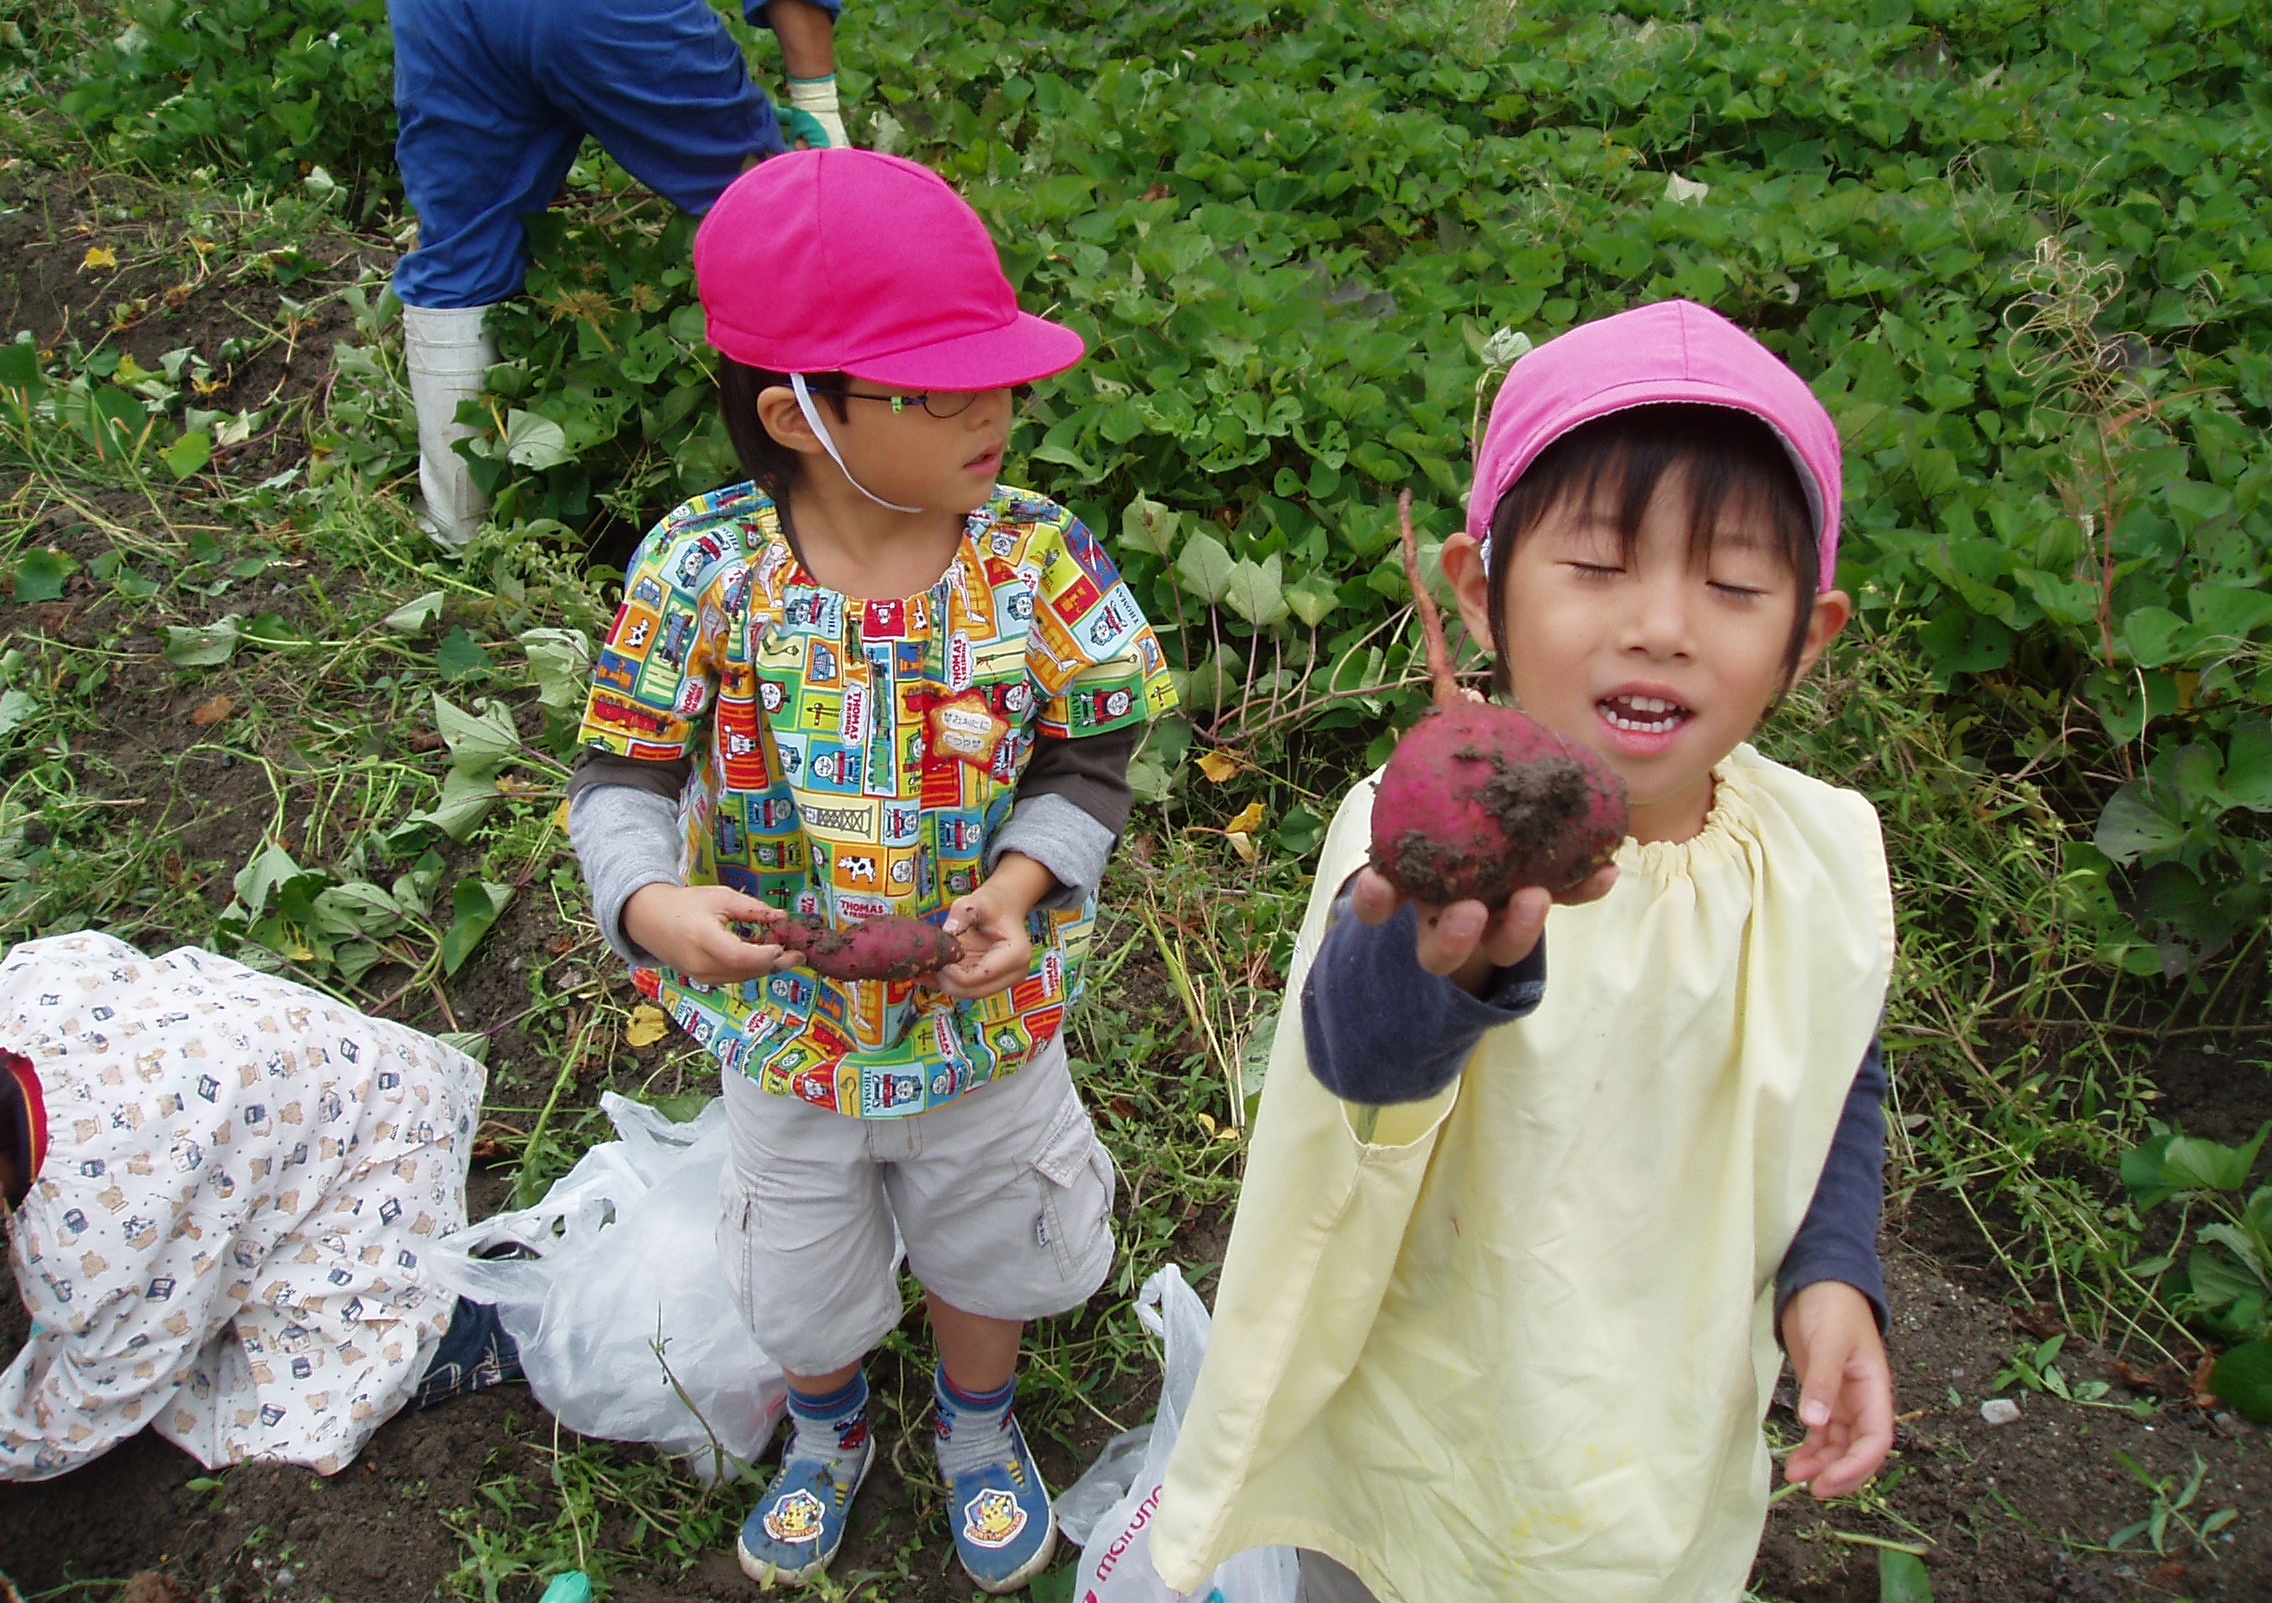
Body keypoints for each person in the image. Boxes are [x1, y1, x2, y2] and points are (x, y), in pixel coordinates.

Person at [1149, 299, 1898, 1603]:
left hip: (1653, 1431)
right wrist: (1452, 959)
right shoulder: (1414, 834)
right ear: (1479, 593)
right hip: (1424, 1425)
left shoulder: (1816, 853)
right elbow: (1359, 1065)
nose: (1661, 624)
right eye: (1597, 565)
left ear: (1806, 638)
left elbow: (1832, 1076)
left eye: (1731, 586)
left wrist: (1834, 1278)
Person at [567, 148, 1178, 1591]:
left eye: (1000, 378)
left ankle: (976, 1420)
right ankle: (826, 1424)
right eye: (938, 393)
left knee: (992, 1231)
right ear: (799, 415)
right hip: (787, 1030)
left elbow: (1092, 753)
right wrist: (650, 902)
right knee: (799, 1260)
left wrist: (1022, 891)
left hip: (985, 1018)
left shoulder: (1038, 564)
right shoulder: (701, 572)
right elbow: (620, 772)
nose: (994, 413)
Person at [387, 0, 846, 546]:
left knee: (461, 240)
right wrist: (819, 107)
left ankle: (455, 528)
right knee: (768, 212)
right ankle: (828, 495)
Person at [0, 932, 518, 1482]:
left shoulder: (96, 1241)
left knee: (298, 1402)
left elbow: (104, 1391)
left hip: (378, 1159)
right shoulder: (26, 986)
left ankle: (499, 1316)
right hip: (347, 1069)